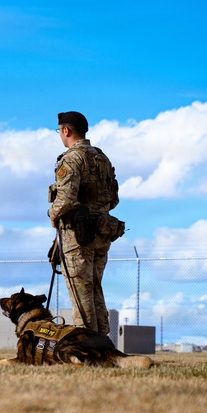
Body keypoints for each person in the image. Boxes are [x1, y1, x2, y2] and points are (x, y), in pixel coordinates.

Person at [47, 111, 124, 334]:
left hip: (78, 235)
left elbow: (66, 198)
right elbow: (113, 199)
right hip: (102, 231)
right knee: (95, 289)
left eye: (59, 131)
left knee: (81, 293)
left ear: (66, 130)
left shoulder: (72, 158)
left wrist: (52, 214)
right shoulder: (102, 158)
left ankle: (88, 346)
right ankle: (102, 343)